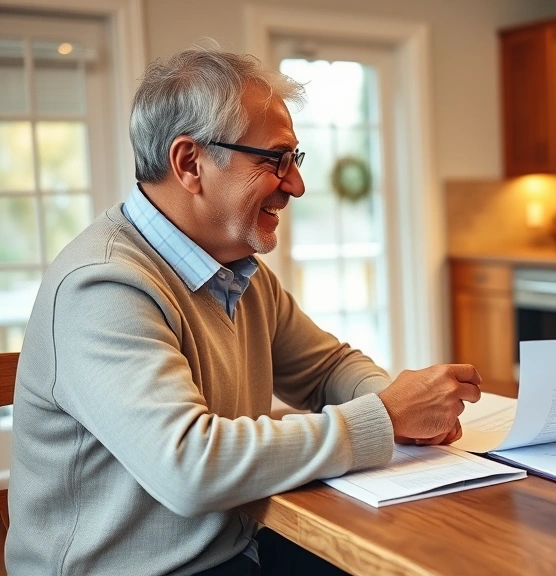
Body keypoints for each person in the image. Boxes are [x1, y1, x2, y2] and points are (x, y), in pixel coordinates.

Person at [7, 45, 481, 575]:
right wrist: (387, 416)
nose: (296, 185)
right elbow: (191, 466)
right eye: (274, 159)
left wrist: (404, 412)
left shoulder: (236, 270)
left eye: (294, 160)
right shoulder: (102, 286)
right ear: (191, 163)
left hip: (232, 551)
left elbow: (326, 368)